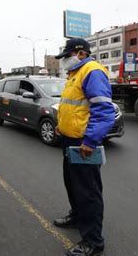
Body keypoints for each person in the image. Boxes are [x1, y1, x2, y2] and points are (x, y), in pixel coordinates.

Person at [53, 38, 115, 256]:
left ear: (80, 53)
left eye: (66, 57)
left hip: (83, 143)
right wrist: (62, 126)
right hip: (69, 140)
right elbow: (73, 107)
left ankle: (93, 241)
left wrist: (90, 141)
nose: (63, 62)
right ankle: (77, 216)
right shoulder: (74, 74)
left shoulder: (92, 71)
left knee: (88, 192)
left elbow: (103, 111)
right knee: (72, 184)